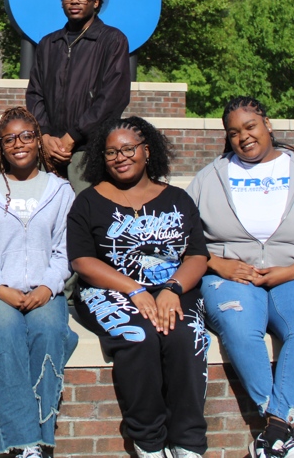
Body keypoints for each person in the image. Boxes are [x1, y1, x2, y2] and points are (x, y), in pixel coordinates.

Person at [187, 96, 294, 458]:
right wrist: (217, 264)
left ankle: (274, 429)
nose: (243, 137)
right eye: (233, 133)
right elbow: (185, 235)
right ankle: (281, 431)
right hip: (232, 275)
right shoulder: (210, 177)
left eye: (250, 127)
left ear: (267, 125)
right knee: (239, 325)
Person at [68, 117, 210, 458]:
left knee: (184, 333)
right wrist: (135, 289)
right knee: (139, 336)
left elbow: (197, 255)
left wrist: (171, 289)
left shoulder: (177, 198)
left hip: (172, 290)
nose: (120, 157)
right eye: (111, 152)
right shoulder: (88, 201)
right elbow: (83, 261)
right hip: (106, 291)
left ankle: (187, 441)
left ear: (147, 151)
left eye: (128, 149)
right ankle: (148, 440)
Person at [0, 107, 78, 458]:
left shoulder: (60, 191)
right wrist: (2, 289)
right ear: (0, 147)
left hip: (46, 292)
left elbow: (66, 251)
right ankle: (24, 442)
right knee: (8, 335)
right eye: (9, 139)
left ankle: (40, 439)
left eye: (26, 136)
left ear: (38, 141)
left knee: (48, 333)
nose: (18, 144)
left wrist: (48, 287)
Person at [26, 0, 131, 195]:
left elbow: (113, 97)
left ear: (96, 1)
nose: (74, 1)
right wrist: (44, 135)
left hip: (88, 150)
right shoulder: (48, 44)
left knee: (86, 214)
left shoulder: (112, 40)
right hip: (50, 149)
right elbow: (35, 94)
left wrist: (73, 136)